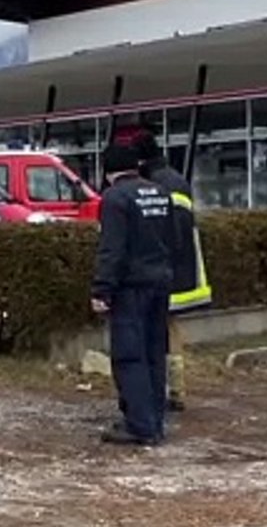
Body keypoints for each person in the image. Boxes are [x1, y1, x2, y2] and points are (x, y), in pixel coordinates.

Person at [91, 144, 174, 445]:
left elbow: (112, 248)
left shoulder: (115, 198)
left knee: (129, 355)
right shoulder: (160, 192)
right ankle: (154, 420)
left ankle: (140, 426)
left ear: (109, 171)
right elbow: (173, 239)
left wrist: (102, 288)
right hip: (160, 282)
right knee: (154, 354)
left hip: (130, 287)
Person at [133, 132, 212, 412]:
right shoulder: (176, 179)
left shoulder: (155, 185)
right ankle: (175, 389)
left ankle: (170, 390)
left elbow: (164, 232)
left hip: (165, 270)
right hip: (181, 267)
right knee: (171, 330)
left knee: (159, 331)